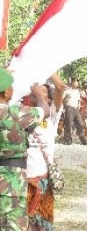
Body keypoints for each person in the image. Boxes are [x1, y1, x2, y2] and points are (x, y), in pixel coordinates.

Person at [0, 68, 49, 230]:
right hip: (11, 181)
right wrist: (41, 95)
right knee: (13, 225)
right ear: (5, 93)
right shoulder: (14, 113)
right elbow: (45, 112)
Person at [26, 73, 65, 231]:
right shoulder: (22, 114)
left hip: (43, 178)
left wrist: (44, 67)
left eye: (41, 90)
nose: (35, 90)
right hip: (24, 178)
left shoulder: (52, 116)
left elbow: (61, 87)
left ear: (49, 99)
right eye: (34, 89)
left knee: (43, 224)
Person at [63, 77, 87, 145]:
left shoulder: (77, 91)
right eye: (75, 81)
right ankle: (67, 140)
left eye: (77, 82)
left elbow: (79, 100)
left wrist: (78, 106)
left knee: (80, 124)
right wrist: (64, 106)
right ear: (72, 82)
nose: (77, 83)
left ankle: (83, 139)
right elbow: (62, 99)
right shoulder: (67, 91)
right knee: (68, 124)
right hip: (69, 108)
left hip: (76, 109)